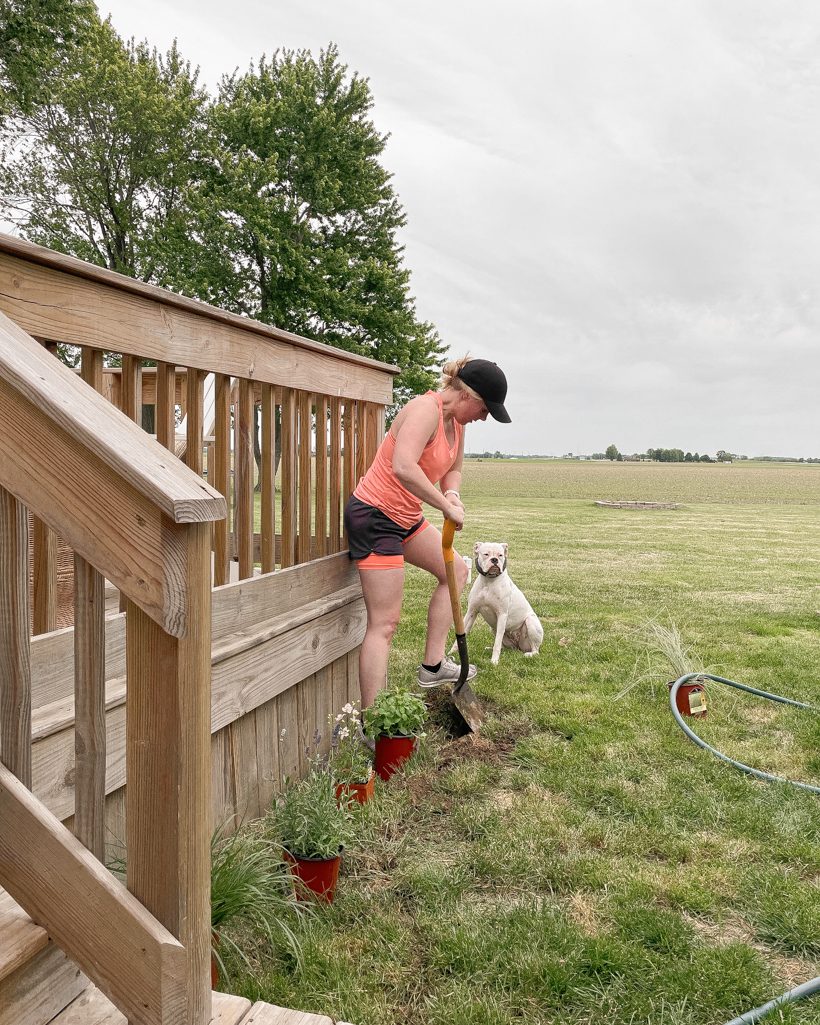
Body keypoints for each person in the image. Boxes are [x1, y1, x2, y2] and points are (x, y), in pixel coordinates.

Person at [343, 356, 511, 712]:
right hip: (375, 516)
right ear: (467, 395)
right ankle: (371, 721)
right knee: (385, 624)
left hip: (405, 518)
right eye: (484, 409)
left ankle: (432, 667)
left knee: (457, 571)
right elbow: (402, 466)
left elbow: (454, 470)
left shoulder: (459, 425)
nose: (483, 417)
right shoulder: (425, 409)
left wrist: (452, 494)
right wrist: (443, 507)